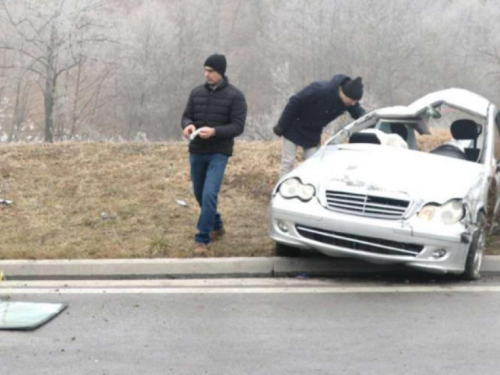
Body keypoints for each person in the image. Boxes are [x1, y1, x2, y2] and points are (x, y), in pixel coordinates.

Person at [181, 54, 247, 256]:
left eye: (211, 71)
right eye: (205, 70)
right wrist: (188, 125)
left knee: (210, 194)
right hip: (197, 151)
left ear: (221, 72)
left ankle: (202, 238)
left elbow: (237, 126)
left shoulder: (236, 96)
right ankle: (217, 224)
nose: (206, 74)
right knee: (200, 194)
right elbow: (186, 116)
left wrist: (216, 132)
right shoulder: (196, 93)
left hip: (219, 152)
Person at [273, 75, 366, 177]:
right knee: (288, 162)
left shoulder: (348, 103)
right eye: (352, 100)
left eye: (355, 101)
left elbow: (359, 113)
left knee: (313, 164)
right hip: (294, 126)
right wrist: (282, 125)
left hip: (313, 132)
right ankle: (282, 189)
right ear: (345, 94)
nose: (353, 104)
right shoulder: (320, 90)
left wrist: (369, 120)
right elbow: (294, 102)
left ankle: (308, 190)